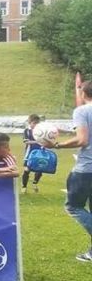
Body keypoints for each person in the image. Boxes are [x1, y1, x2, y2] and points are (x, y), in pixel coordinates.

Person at [44, 81, 92, 262]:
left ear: (83, 93)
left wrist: (57, 145)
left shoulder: (82, 111)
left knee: (73, 207)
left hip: (86, 169)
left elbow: (82, 139)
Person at [21, 114, 44, 193]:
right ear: (30, 123)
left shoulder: (42, 131)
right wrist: (37, 141)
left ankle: (35, 183)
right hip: (30, 153)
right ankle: (24, 187)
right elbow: (26, 141)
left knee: (40, 169)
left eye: (37, 123)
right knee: (27, 170)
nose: (35, 125)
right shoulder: (27, 131)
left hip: (40, 152)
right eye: (34, 123)